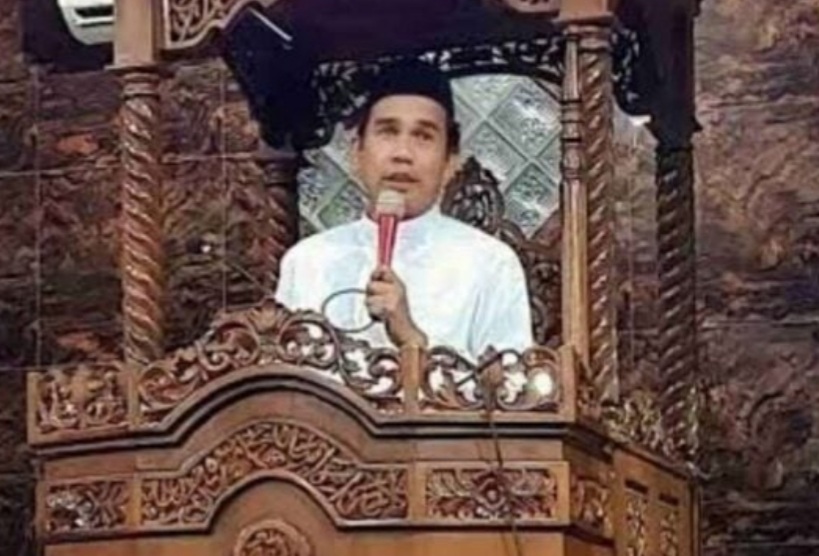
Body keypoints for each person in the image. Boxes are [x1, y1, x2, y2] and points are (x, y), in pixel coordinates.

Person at [275, 60, 533, 362]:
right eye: (388, 132)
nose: (402, 154)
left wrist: (412, 339)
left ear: (450, 161)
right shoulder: (307, 261)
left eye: (423, 136)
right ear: (356, 152)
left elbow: (511, 385)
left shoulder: (491, 263)